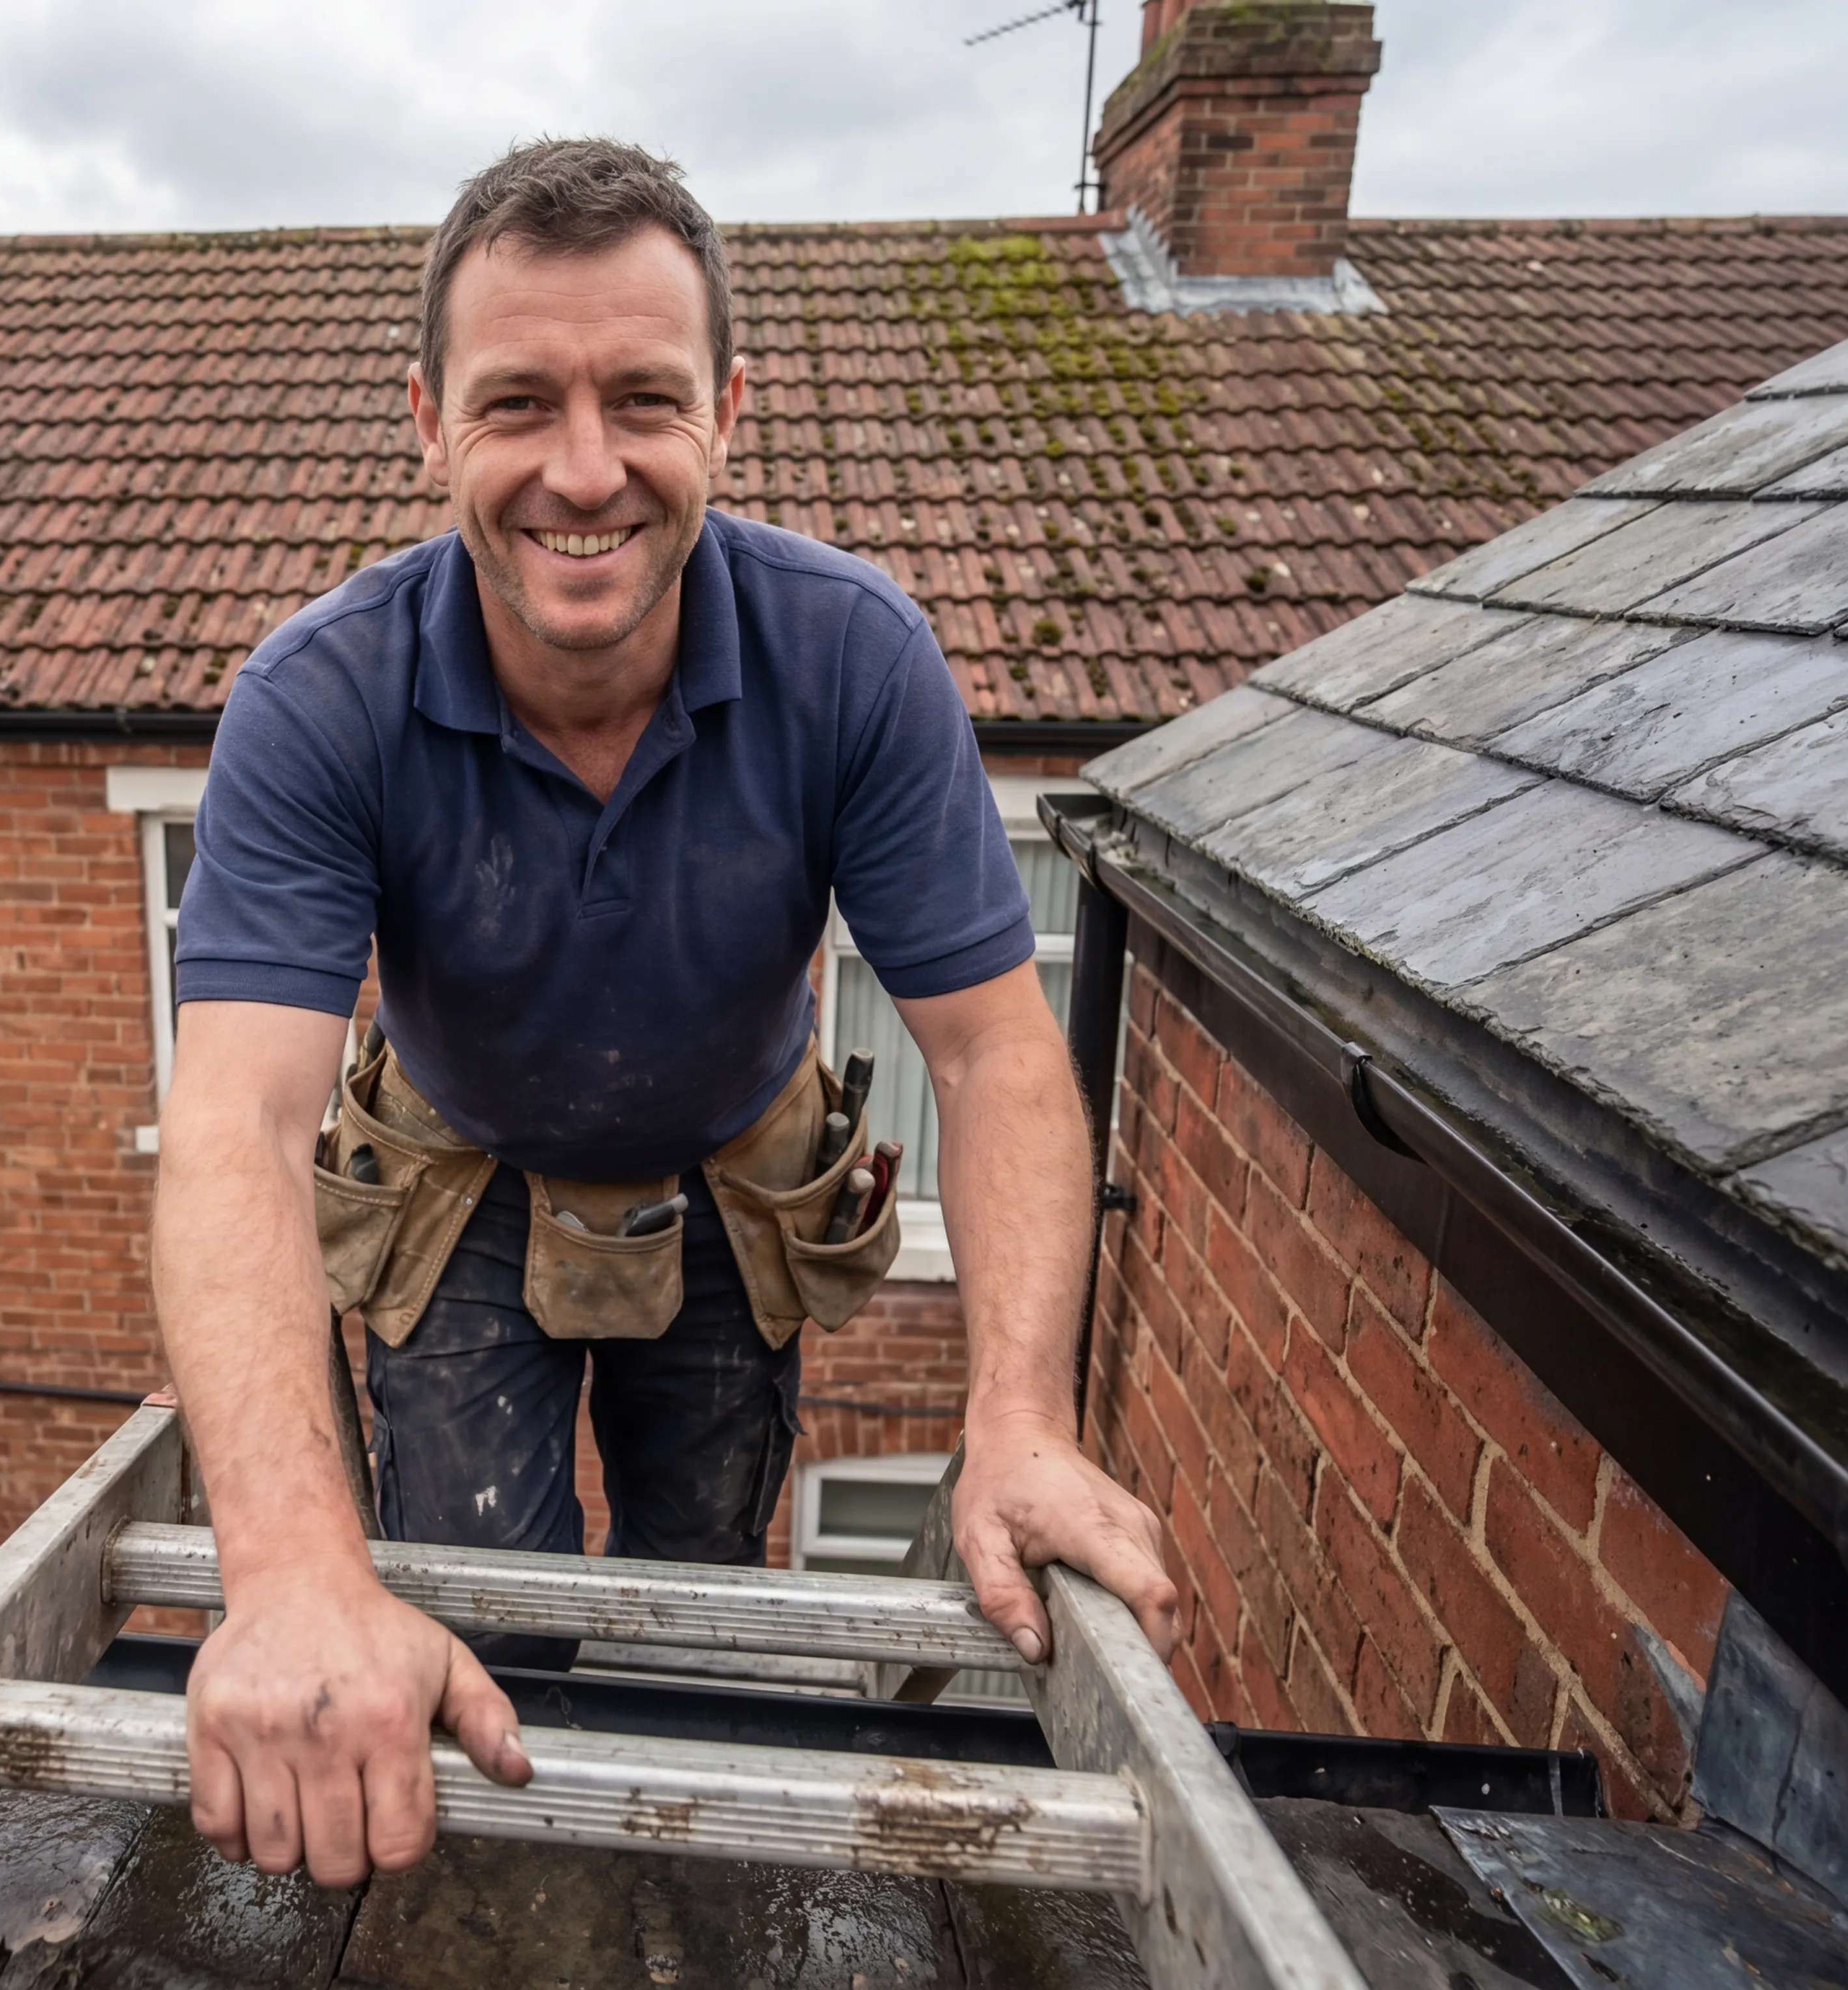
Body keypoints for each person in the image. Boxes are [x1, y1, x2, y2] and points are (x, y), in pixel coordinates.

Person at [150, 136, 1179, 1890]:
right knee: (476, 1604)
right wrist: (292, 1565)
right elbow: (236, 1120)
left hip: (729, 1178)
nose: (583, 470)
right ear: (426, 421)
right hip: (459, 1182)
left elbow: (1001, 1053)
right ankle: (517, 1904)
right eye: (515, 404)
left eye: (643, 397)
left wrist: (1019, 1419)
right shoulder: (317, 702)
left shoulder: (854, 660)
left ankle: (693, 1889)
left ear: (728, 412)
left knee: (705, 1604)